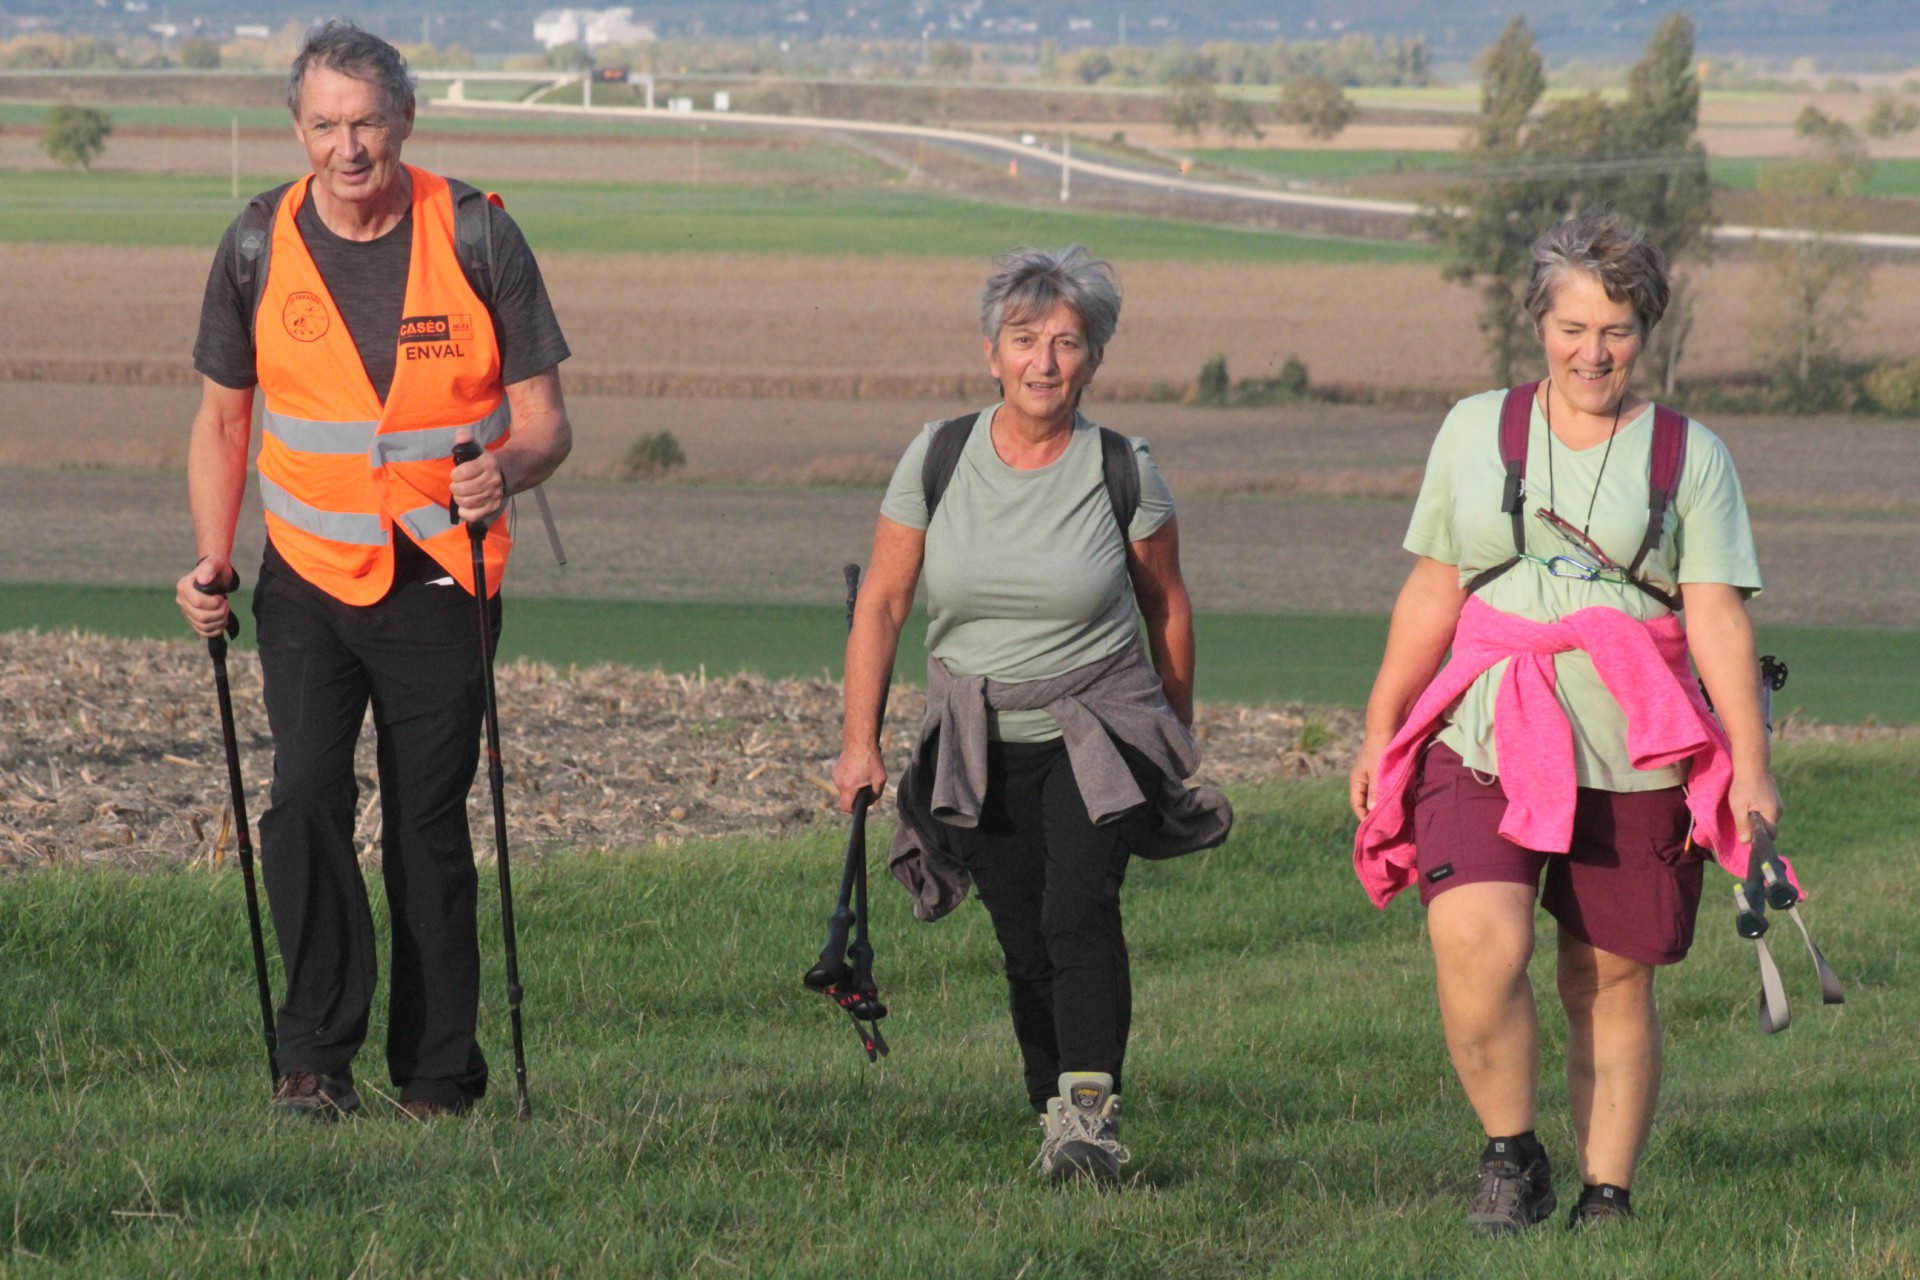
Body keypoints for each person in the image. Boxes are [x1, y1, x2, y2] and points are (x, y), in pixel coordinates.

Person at [1350, 210, 1780, 1230]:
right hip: (1488, 726)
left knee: (1611, 977)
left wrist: (1751, 768)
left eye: (1618, 329)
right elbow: (1432, 589)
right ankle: (1511, 1152)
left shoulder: (1692, 455)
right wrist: (1379, 725)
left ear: (1647, 331)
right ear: (1538, 320)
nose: (1594, 352)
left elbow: (1717, 615)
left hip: (1638, 743)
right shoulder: (1473, 429)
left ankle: (1606, 1194)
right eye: (1574, 326)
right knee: (1476, 941)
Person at [174, 21, 572, 1120]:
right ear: (297, 128)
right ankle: (313, 1057)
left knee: (425, 827)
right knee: (302, 799)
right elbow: (221, 423)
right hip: (303, 576)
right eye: (324, 126)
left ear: (404, 120)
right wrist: (212, 558)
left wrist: (504, 471)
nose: (347, 147)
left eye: (365, 124)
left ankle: (439, 1076)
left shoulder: (480, 233)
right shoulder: (258, 241)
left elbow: (546, 425)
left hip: (442, 576)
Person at [833, 245, 1232, 1183]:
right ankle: (1050, 1106)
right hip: (978, 734)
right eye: (1025, 340)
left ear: (1094, 359)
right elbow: (884, 603)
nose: (1044, 362)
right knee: (1022, 936)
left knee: (1077, 913)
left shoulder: (1122, 467)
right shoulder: (937, 456)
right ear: (991, 351)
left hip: (1098, 728)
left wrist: (1171, 737)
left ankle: (1089, 1126)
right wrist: (860, 742)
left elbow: (1166, 604)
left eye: (1067, 343)